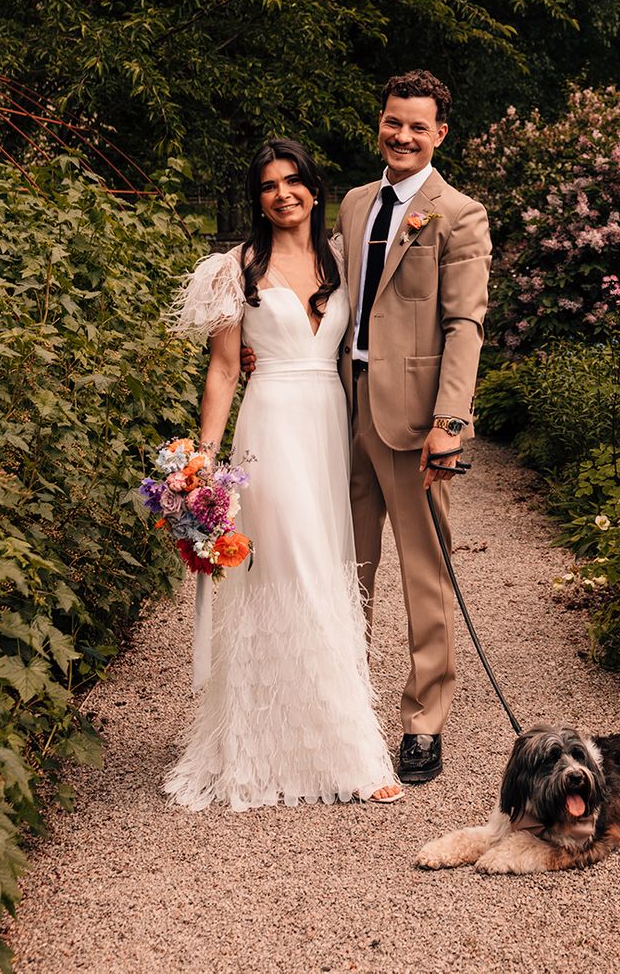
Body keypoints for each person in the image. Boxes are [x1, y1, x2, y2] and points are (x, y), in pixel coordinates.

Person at [243, 70, 491, 784]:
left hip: (415, 425)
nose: (403, 136)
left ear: (440, 133)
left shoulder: (460, 214)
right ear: (378, 124)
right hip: (337, 409)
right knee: (342, 569)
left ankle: (423, 723)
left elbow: (464, 323)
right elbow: (318, 282)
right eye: (393, 122)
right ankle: (339, 711)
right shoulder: (352, 202)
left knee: (423, 575)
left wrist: (451, 421)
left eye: (418, 126)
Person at [164, 138, 402, 809]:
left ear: (314, 187)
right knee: (291, 568)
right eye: (269, 186)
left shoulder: (344, 259)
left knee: (329, 570)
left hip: (331, 426)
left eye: (294, 181)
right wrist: (204, 459)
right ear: (257, 199)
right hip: (270, 429)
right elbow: (221, 367)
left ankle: (315, 741)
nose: (284, 194)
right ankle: (352, 756)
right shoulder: (233, 269)